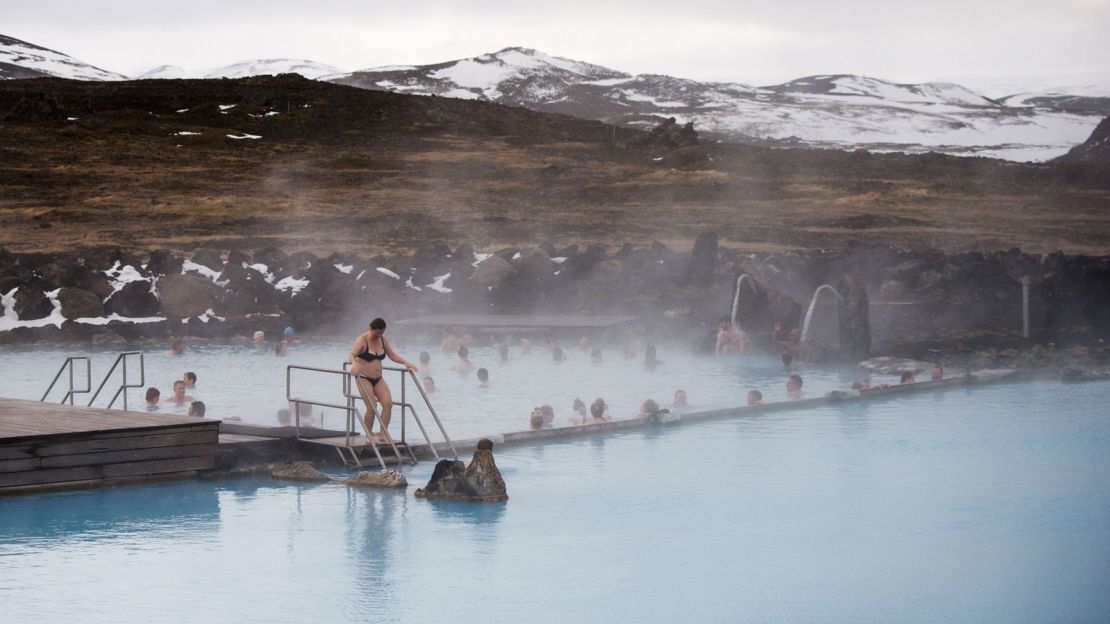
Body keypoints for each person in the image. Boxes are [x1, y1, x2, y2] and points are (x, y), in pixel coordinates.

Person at [348, 317, 417, 445]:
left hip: (378, 378)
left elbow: (392, 355)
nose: (379, 335)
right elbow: (351, 354)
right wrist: (354, 364)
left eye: (381, 332)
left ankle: (383, 433)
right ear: (371, 329)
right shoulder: (362, 339)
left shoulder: (383, 340)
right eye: (377, 332)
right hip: (363, 377)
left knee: (388, 403)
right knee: (372, 406)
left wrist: (405, 362)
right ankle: (368, 434)